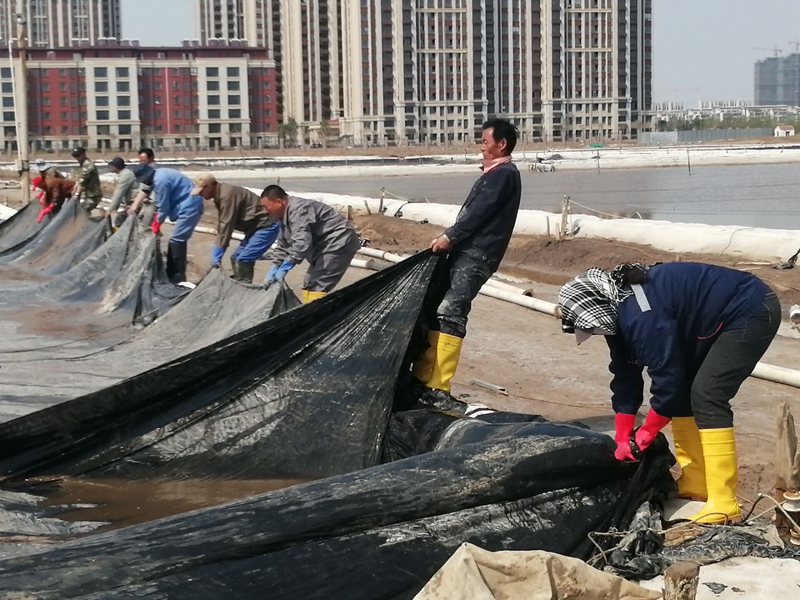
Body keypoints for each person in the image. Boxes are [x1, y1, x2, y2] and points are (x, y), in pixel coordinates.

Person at [557, 262, 781, 524]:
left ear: (595, 307)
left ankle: (723, 501)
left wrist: (646, 433)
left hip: (749, 309)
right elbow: (625, 373)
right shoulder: (617, 310)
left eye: (591, 327)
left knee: (708, 394)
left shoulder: (641, 314)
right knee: (685, 392)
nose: (595, 332)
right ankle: (696, 480)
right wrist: (622, 434)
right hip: (711, 317)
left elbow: (666, 380)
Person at [414, 118, 522, 394]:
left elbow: (479, 213)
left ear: (502, 144)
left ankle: (438, 385)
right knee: (438, 310)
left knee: (451, 312)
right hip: (464, 252)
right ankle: (423, 378)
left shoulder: (504, 174)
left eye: (485, 142)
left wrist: (450, 236)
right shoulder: (492, 174)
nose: (481, 147)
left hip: (477, 255)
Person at [260, 185, 360, 302]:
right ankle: (310, 309)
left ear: (278, 202)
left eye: (266, 206)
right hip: (322, 247)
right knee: (309, 283)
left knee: (318, 284)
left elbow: (302, 243)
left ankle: (317, 313)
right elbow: (284, 245)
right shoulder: (283, 217)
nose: (265, 210)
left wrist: (286, 266)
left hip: (338, 242)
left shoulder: (299, 210)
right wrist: (275, 267)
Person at [191, 173, 279, 284]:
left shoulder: (226, 195)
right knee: (235, 257)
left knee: (244, 259)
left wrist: (218, 251)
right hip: (254, 228)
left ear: (210, 186)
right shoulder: (221, 193)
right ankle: (240, 282)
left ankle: (244, 287)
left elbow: (226, 225)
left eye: (201, 191)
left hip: (267, 226)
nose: (200, 195)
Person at [132, 165, 203, 283]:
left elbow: (163, 208)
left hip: (190, 206)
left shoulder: (160, 181)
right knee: (176, 238)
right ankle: (171, 272)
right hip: (184, 203)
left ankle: (177, 276)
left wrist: (156, 224)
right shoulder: (159, 174)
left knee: (177, 238)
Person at [105, 157, 139, 228]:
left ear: (116, 167)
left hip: (136, 203)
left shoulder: (126, 175)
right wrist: (114, 208)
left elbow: (118, 194)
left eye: (112, 166)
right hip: (132, 203)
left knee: (120, 219)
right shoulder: (124, 174)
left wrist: (110, 210)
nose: (110, 168)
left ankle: (122, 234)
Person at [70, 146, 102, 213]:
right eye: (74, 156)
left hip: (94, 195)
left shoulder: (88, 165)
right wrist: (74, 190)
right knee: (81, 210)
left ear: (83, 154)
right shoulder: (82, 165)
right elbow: (78, 181)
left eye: (78, 155)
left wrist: (76, 194)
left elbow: (82, 181)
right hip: (87, 195)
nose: (76, 158)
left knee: (82, 211)